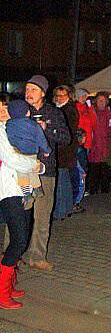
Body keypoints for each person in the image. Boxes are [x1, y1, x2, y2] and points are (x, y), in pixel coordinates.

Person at [0, 94, 45, 308]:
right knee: (18, 239)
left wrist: (39, 166)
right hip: (8, 190)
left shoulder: (11, 127)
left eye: (4, 107)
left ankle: (9, 284)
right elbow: (11, 159)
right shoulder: (1, 131)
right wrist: (35, 166)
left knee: (22, 236)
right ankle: (2, 291)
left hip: (21, 189)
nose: (2, 111)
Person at [24, 74, 71, 271]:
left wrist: (47, 130)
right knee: (19, 215)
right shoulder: (19, 112)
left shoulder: (53, 113)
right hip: (22, 172)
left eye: (33, 90)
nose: (28, 93)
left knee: (42, 216)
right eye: (27, 89)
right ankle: (12, 254)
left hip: (45, 172)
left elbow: (66, 138)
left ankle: (37, 256)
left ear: (43, 93)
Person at [5, 99, 51, 207]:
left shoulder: (9, 125)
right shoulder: (34, 125)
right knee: (33, 170)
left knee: (22, 173)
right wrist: (46, 150)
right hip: (32, 152)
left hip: (18, 152)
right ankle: (37, 188)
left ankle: (27, 194)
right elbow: (41, 139)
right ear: (28, 112)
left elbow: (9, 139)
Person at [52, 85, 79, 221]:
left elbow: (66, 130)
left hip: (64, 149)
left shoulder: (67, 110)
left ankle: (60, 211)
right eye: (58, 95)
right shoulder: (62, 109)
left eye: (63, 95)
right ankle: (66, 209)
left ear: (69, 96)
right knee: (65, 180)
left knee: (61, 181)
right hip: (66, 149)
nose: (60, 97)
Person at [88, 92, 111, 193]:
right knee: (94, 167)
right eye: (99, 100)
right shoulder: (91, 112)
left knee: (105, 167)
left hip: (106, 144)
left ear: (106, 102)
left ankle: (105, 188)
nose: (101, 103)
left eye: (103, 101)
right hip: (94, 144)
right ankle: (93, 189)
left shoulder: (110, 114)